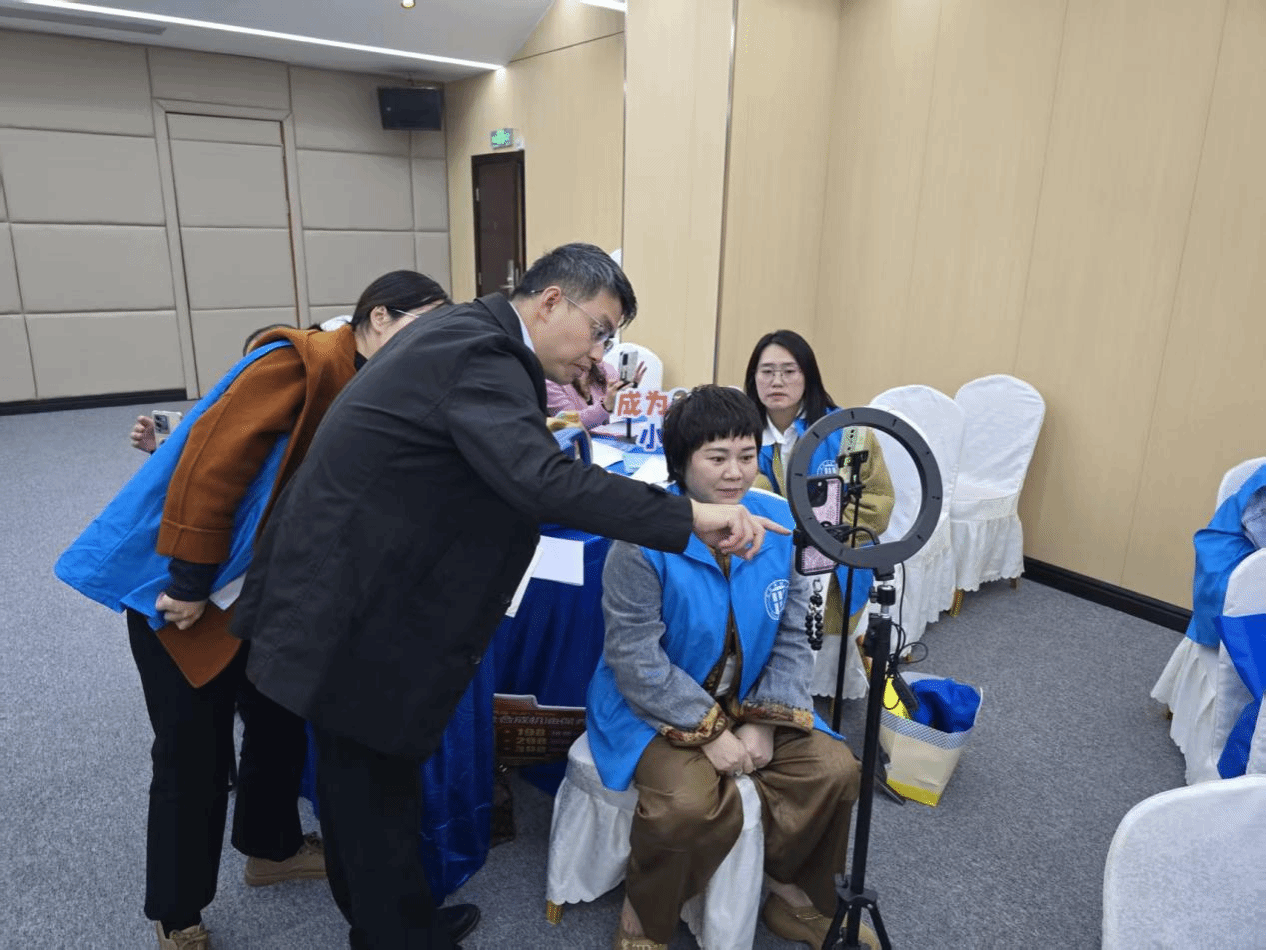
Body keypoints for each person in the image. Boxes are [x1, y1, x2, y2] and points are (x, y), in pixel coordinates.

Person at [229, 242, 787, 950]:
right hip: (351, 608)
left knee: (381, 783)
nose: (602, 354)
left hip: (359, 592)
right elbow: (541, 481)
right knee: (365, 791)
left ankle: (402, 922)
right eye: (600, 331)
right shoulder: (484, 354)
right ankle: (390, 937)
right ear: (551, 301)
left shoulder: (470, 334)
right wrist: (688, 517)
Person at [121, 271, 461, 950]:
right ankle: (178, 914)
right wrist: (189, 582)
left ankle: (270, 849)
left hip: (268, 595)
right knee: (193, 755)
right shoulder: (300, 360)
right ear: (380, 317)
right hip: (188, 595)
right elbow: (211, 465)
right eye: (424, 326)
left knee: (278, 727)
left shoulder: (382, 381)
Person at [586, 385, 870, 949]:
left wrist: (765, 720)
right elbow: (635, 659)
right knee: (686, 806)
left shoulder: (780, 521)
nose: (736, 472)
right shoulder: (642, 539)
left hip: (753, 694)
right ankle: (642, 923)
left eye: (746, 455)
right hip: (654, 705)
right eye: (717, 458)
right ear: (681, 463)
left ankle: (792, 896)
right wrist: (711, 731)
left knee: (834, 771)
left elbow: (795, 632)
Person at [744, 330, 894, 677]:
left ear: (808, 377)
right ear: (753, 379)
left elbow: (877, 502)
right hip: (764, 553)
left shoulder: (850, 433)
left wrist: (822, 536)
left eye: (789, 371)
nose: (776, 381)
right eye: (766, 371)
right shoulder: (739, 432)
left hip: (833, 556)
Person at [545, 355, 644, 429]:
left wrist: (630, 386)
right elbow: (568, 423)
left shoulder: (603, 367)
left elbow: (619, 402)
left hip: (605, 440)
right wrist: (604, 407)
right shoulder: (551, 379)